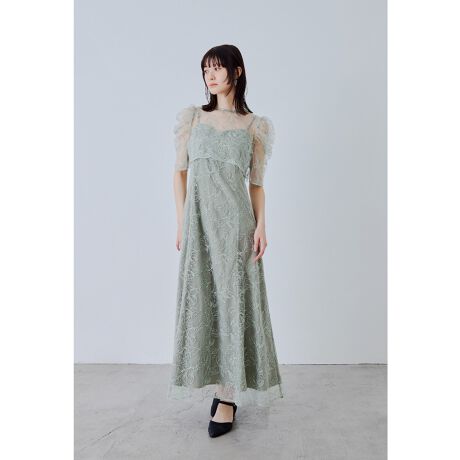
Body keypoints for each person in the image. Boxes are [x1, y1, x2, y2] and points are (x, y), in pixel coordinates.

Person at [168, 44, 283, 438]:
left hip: (236, 228)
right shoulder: (193, 119)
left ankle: (227, 396)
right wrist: (182, 221)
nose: (211, 76)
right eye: (206, 70)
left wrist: (261, 225)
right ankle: (216, 386)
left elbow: (257, 185)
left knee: (233, 306)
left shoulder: (254, 127)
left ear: (237, 71)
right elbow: (179, 173)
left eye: (218, 68)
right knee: (203, 301)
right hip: (200, 227)